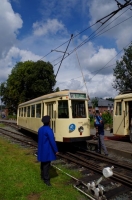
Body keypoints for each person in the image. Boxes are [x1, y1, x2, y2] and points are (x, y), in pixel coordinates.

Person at [37, 115, 58, 186]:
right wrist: (56, 150)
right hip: (47, 150)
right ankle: (47, 180)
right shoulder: (49, 130)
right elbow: (52, 141)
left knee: (43, 163)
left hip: (41, 149)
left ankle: (43, 176)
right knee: (46, 165)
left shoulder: (40, 129)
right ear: (49, 122)